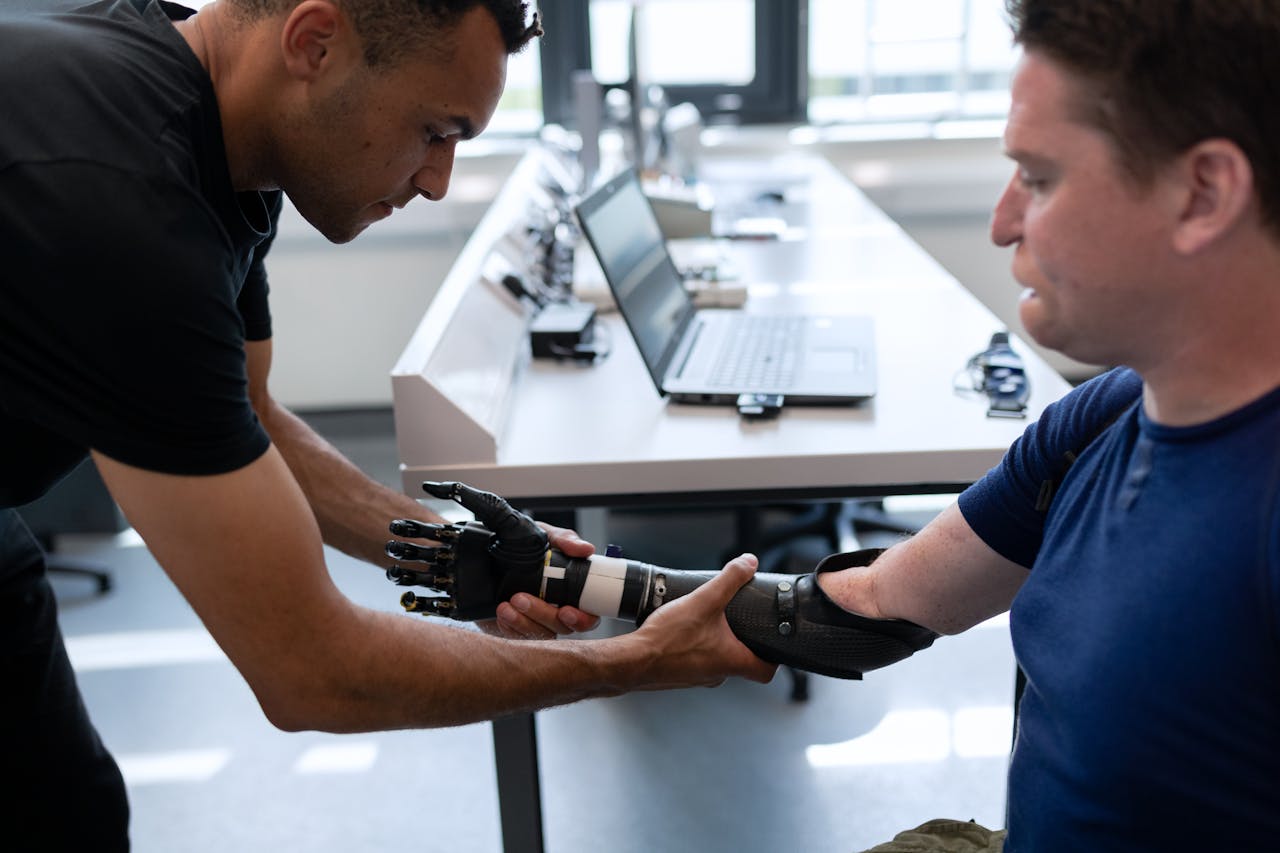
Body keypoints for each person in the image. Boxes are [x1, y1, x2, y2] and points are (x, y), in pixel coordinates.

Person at [0, 0, 774, 847]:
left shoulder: (212, 125)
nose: (438, 180)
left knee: (68, 810)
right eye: (434, 131)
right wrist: (636, 661)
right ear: (314, 42)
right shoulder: (122, 205)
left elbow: (251, 416)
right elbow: (311, 671)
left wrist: (461, 557)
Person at [809, 1, 1280, 849]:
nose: (1003, 224)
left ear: (1203, 192)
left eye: (1039, 177)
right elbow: (879, 598)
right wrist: (579, 580)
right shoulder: (1110, 413)